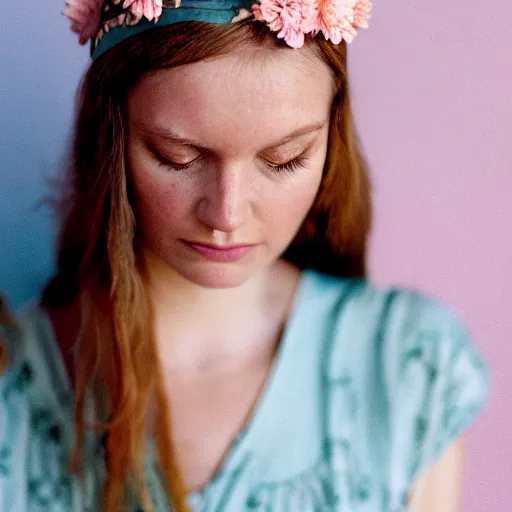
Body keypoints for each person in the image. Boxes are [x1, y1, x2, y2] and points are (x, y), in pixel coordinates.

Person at [0, 0, 489, 511]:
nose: (226, 215)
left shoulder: (409, 371)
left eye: (284, 160)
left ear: (331, 139)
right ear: (110, 134)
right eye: (177, 157)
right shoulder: (12, 389)